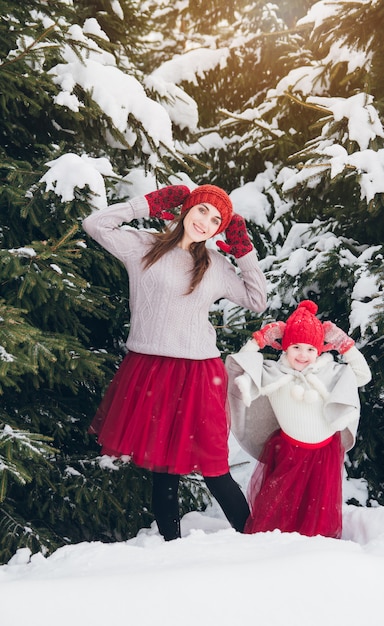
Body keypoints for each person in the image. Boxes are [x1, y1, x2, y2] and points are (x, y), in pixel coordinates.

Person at [82, 183, 267, 541]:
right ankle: (170, 549)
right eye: (202, 211)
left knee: (215, 468)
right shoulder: (143, 247)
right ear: (186, 208)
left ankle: (254, 541)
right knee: (162, 468)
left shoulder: (214, 264)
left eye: (216, 221)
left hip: (199, 372)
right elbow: (95, 224)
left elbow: (257, 300)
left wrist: (244, 252)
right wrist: (146, 205)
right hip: (150, 368)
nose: (206, 223)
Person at [225, 300, 371, 538]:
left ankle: (310, 558)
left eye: (311, 349)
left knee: (316, 512)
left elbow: (363, 375)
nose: (303, 355)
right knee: (278, 511)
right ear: (285, 348)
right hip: (288, 452)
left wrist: (344, 344)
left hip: (323, 454)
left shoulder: (331, 373)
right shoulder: (273, 372)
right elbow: (240, 366)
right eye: (296, 348)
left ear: (320, 350)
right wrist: (259, 339)